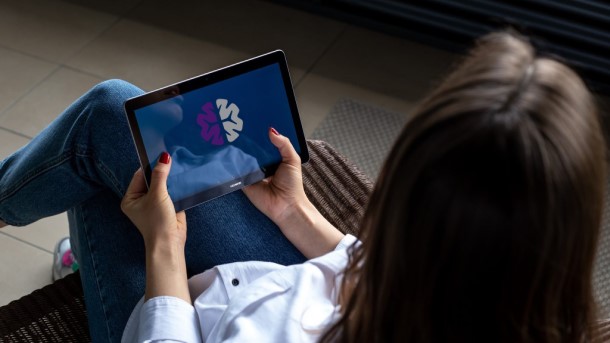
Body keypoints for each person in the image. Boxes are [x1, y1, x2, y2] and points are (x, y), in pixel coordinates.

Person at [0, 30, 605, 342]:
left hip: (192, 319)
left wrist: (163, 250)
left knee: (114, 149)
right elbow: (379, 271)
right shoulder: (519, 305)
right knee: (127, 125)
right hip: (280, 287)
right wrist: (297, 214)